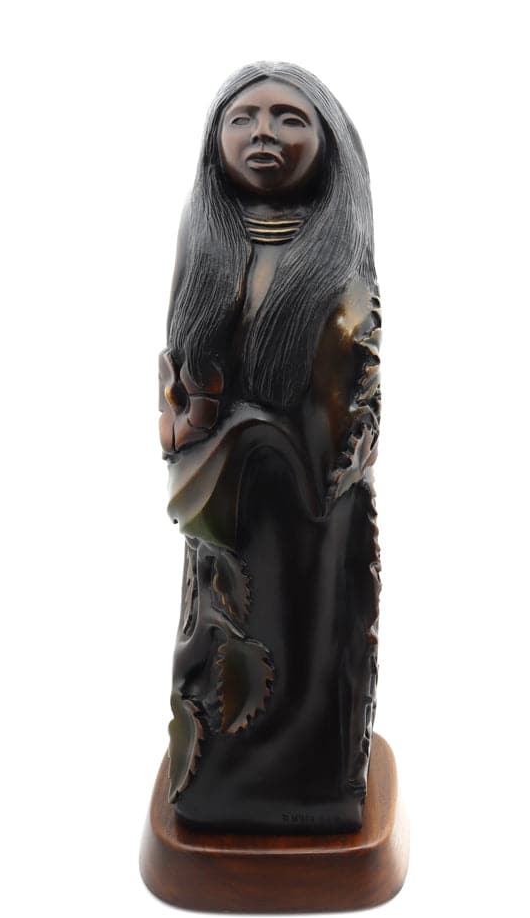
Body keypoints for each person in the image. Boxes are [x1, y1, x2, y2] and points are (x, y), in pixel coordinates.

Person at [158, 62, 382, 833]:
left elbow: (361, 391)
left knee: (317, 639)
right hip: (226, 500)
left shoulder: (341, 262)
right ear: (215, 140)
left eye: (290, 118)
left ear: (328, 142)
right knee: (225, 639)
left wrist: (327, 461)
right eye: (243, 118)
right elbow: (180, 382)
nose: (264, 133)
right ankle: (221, 783)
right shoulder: (204, 246)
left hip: (317, 503)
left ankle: (318, 789)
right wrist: (204, 445)